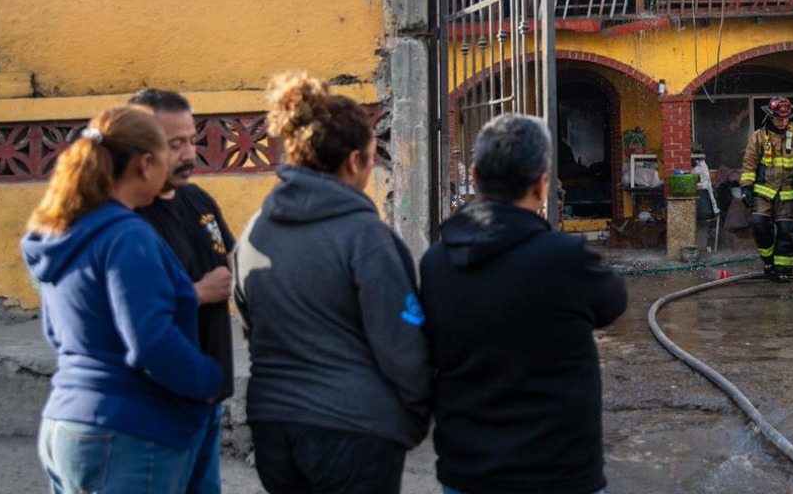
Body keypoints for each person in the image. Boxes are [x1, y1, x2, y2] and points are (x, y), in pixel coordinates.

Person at [234, 72, 430, 494]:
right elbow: (402, 346)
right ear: (355, 161)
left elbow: (253, 328)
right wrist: (412, 417)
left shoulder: (254, 231)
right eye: (373, 156)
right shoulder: (366, 237)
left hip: (274, 429)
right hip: (354, 431)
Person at [420, 113, 627, 494]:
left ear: (477, 177)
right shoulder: (566, 260)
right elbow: (613, 302)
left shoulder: (435, 263)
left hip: (468, 470)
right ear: (542, 184)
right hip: (559, 472)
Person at [22, 105, 223, 494]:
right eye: (168, 151)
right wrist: (209, 379)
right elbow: (151, 341)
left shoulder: (64, 229)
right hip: (129, 430)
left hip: (68, 423)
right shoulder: (127, 236)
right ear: (147, 164)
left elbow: (56, 331)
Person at [131, 89, 235, 494]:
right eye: (175, 144)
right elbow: (126, 313)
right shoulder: (128, 217)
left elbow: (229, 256)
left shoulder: (197, 199)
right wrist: (198, 293)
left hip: (208, 396)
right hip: (160, 403)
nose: (189, 153)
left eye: (191, 140)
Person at [740, 98, 793, 281]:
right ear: (770, 116)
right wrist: (746, 187)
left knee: (786, 229)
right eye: (779, 118)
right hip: (764, 193)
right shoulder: (759, 137)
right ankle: (769, 261)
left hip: (789, 194)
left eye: (786, 118)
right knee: (758, 224)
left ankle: (784, 270)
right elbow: (749, 163)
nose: (783, 122)